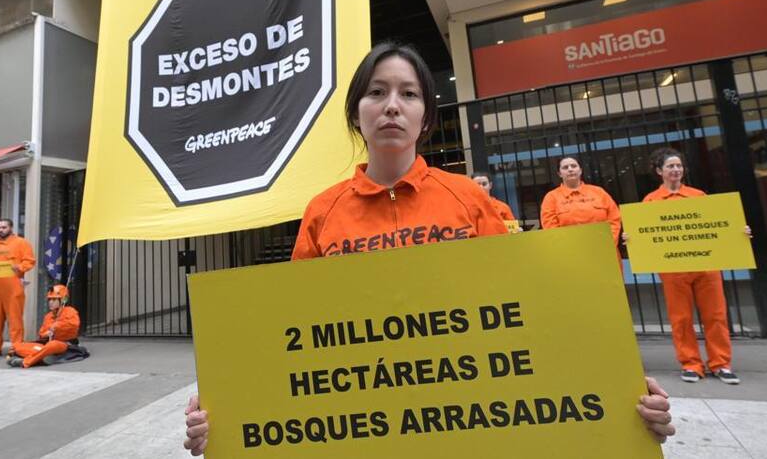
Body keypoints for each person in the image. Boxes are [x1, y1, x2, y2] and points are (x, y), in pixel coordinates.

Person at [183, 43, 675, 455]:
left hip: (474, 417)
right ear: (357, 114)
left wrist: (620, 393)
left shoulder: (469, 198)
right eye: (376, 93)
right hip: (359, 427)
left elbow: (532, 312)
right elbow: (288, 337)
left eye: (409, 93)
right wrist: (227, 414)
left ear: (426, 118)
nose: (392, 105)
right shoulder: (322, 212)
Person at [636, 148, 747, 385]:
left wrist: (739, 232)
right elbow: (646, 233)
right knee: (681, 319)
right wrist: (633, 239)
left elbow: (717, 227)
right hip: (674, 271)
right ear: (659, 171)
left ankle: (721, 363)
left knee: (715, 316)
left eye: (678, 166)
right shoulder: (651, 201)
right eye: (670, 166)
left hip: (706, 267)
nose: (675, 170)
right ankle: (690, 363)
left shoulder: (699, 196)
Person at [0, 218, 36, 360]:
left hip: (13, 286)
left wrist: (20, 268)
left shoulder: (21, 243)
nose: (1, 230)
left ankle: (17, 348)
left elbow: (30, 261)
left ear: (11, 228)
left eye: (4, 227)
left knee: (15, 319)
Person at [540, 155, 622, 258]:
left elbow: (614, 219)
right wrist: (572, 250)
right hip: (572, 256)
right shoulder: (551, 198)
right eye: (565, 167)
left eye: (574, 166)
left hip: (605, 252)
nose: (570, 169)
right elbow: (551, 229)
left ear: (580, 170)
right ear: (559, 174)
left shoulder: (599, 192)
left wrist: (607, 244)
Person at [7, 284, 80, 368]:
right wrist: (47, 333)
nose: (50, 302)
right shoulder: (48, 316)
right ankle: (42, 357)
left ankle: (26, 362)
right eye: (49, 300)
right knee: (17, 346)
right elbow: (41, 333)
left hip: (63, 345)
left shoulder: (71, 311)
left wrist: (56, 326)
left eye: (54, 299)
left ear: (63, 300)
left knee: (52, 345)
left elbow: (74, 325)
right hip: (46, 346)